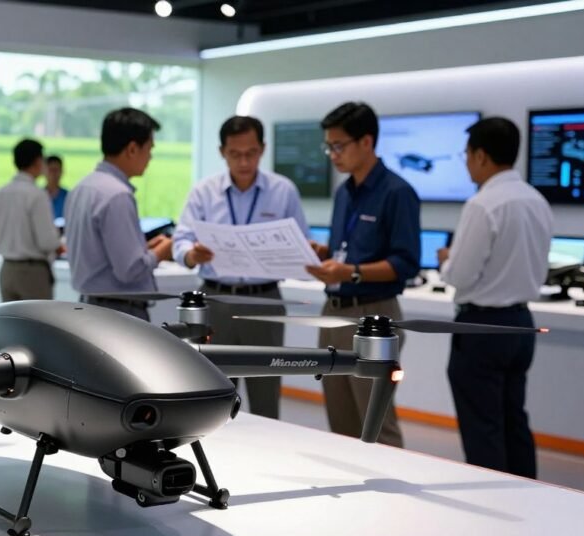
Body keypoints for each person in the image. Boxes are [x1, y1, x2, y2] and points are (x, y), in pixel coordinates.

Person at [437, 117, 553, 478]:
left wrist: (447, 261)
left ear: (481, 156)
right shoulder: (537, 200)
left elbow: (460, 275)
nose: (467, 163)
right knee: (514, 419)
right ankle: (526, 494)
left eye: (467, 155)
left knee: (482, 426)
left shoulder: (483, 204)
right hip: (521, 323)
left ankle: (492, 502)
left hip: (481, 326)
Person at [173, 115, 309, 419]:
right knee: (212, 392)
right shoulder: (204, 192)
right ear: (222, 152)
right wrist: (192, 255)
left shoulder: (283, 191)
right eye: (235, 154)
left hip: (265, 301)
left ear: (263, 149)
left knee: (266, 393)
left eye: (251, 153)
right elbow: (180, 241)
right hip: (215, 300)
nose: (244, 162)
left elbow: (301, 244)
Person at [306, 102, 420, 448]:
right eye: (329, 147)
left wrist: (351, 272)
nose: (333, 155)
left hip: (374, 315)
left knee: (376, 420)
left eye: (339, 146)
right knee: (340, 418)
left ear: (366, 142)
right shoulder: (344, 193)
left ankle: (391, 480)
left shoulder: (397, 192)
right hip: (333, 312)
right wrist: (324, 254)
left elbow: (406, 263)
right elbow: (345, 250)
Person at [65, 107, 173, 320]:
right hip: (119, 311)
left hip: (90, 306)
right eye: (149, 149)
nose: (150, 157)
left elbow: (100, 255)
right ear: (132, 149)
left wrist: (144, 249)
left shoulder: (82, 187)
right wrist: (163, 251)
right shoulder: (117, 195)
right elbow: (130, 271)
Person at [0, 139, 62, 302]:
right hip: (32, 273)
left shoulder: (0, 193)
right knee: (37, 318)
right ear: (37, 162)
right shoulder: (37, 195)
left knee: (10, 318)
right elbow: (47, 242)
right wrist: (58, 242)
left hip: (6, 268)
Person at [45, 155, 69, 220]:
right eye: (51, 170)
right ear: (44, 171)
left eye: (56, 170)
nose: (53, 174)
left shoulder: (68, 196)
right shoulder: (38, 195)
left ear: (62, 171)